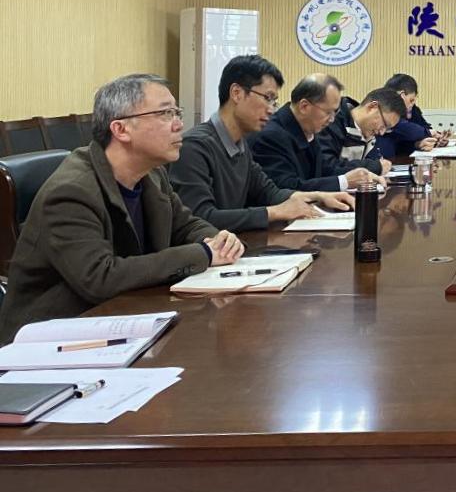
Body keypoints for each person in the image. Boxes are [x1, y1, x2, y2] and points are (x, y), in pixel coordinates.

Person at [0, 74, 244, 343]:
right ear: (121, 129)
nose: (179, 124)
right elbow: (100, 278)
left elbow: (185, 225)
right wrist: (203, 253)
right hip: (50, 337)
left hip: (121, 318)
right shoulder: (71, 191)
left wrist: (218, 240)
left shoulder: (152, 175)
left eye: (177, 112)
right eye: (165, 113)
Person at [170, 56, 355, 233]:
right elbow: (200, 218)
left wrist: (319, 196)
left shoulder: (240, 144)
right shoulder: (194, 147)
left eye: (274, 101)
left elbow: (270, 193)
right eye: (267, 98)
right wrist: (273, 212)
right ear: (237, 93)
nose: (271, 109)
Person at [250, 74, 385, 192]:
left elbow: (325, 170)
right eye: (328, 112)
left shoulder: (307, 129)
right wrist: (344, 182)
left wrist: (361, 175)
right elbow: (285, 188)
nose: (332, 119)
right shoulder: (271, 135)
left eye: (335, 112)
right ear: (304, 106)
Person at [318, 87, 405, 175]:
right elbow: (326, 167)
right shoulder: (330, 120)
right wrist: (373, 167)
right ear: (372, 107)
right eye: (384, 124)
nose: (382, 132)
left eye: (388, 129)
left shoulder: (369, 134)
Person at [377, 73, 446, 158]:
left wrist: (436, 138)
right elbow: (403, 128)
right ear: (402, 95)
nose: (412, 104)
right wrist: (428, 133)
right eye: (411, 100)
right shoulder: (385, 109)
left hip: (396, 159)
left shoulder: (411, 109)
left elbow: (422, 127)